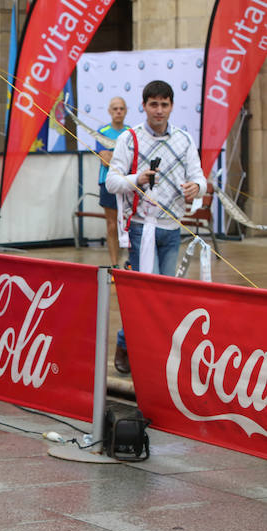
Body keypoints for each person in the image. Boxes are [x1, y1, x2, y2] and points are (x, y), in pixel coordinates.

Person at [106, 80, 206, 374]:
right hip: (140, 228)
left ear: (172, 106)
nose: (159, 110)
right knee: (143, 293)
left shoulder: (184, 140)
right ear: (144, 105)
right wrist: (137, 178)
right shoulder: (129, 138)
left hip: (172, 228)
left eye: (164, 104)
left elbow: (200, 178)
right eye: (154, 104)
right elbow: (112, 182)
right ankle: (125, 344)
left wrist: (195, 188)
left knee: (167, 294)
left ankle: (157, 349)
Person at [95, 97, 129, 269]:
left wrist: (112, 154)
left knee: (130, 223)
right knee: (112, 225)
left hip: (128, 183)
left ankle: (131, 263)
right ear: (109, 111)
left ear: (126, 111)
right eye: (115, 108)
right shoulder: (103, 131)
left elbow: (131, 160)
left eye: (121, 108)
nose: (118, 112)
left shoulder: (131, 131)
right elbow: (105, 160)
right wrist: (122, 157)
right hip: (107, 183)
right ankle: (115, 264)